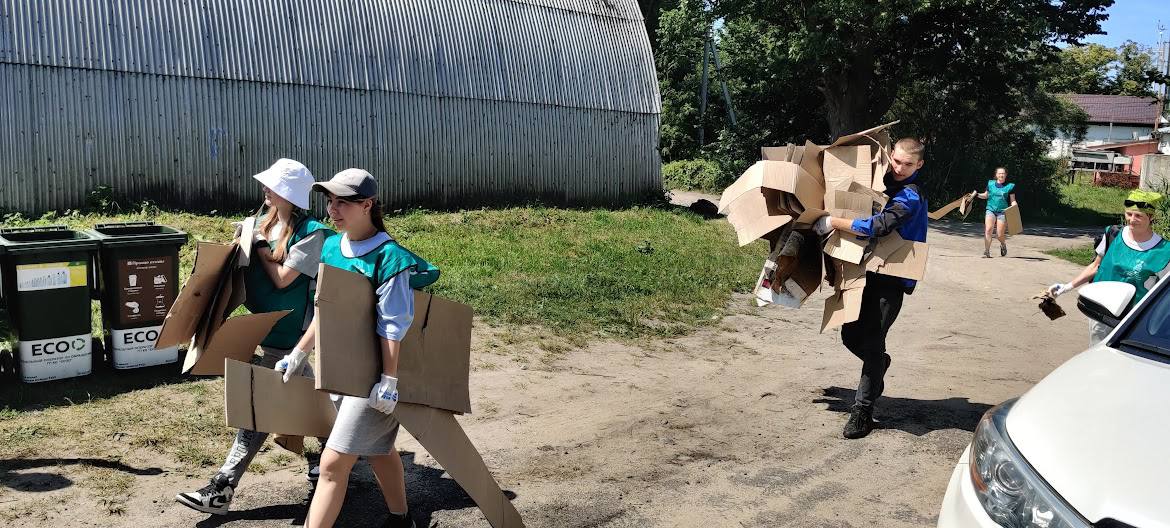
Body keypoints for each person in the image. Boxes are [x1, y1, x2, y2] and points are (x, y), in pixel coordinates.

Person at [175, 158, 334, 515]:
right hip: (267, 327)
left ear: (290, 195)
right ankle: (331, 460)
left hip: (292, 333)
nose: (265, 189)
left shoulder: (312, 234)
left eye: (273, 186)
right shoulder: (263, 222)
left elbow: (282, 280)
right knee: (309, 400)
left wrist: (260, 245)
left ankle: (222, 487)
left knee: (261, 407)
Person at [303, 169, 440, 528]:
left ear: (367, 205)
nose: (333, 209)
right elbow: (326, 310)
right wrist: (300, 352)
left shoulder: (390, 257)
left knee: (333, 464)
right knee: (377, 449)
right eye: (330, 201)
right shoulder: (332, 246)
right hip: (340, 370)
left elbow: (393, 325)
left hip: (376, 378)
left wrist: (389, 380)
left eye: (343, 202)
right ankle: (401, 519)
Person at [813, 137, 929, 439]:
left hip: (891, 278)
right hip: (864, 271)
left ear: (919, 165)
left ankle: (863, 412)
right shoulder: (878, 179)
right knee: (850, 335)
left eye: (907, 164)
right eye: (896, 161)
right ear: (890, 156)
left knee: (874, 340)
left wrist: (834, 222)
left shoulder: (911, 195)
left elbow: (882, 225)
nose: (900, 168)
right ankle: (879, 363)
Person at [1047, 190, 1170, 345]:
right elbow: (1095, 266)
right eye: (1129, 214)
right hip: (1102, 312)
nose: (1132, 220)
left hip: (1133, 319)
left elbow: (1164, 292)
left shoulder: (1164, 251)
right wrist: (1065, 287)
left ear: (1151, 217)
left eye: (1139, 216)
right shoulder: (1113, 234)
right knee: (1098, 356)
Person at [975, 167, 1017, 258]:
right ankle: (987, 251)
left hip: (1002, 212)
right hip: (990, 209)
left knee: (999, 234)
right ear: (996, 175)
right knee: (988, 229)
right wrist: (977, 195)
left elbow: (1012, 200)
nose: (1001, 175)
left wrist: (1014, 206)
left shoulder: (1010, 186)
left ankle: (1003, 244)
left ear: (1006, 175)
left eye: (1003, 173)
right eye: (999, 173)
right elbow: (986, 195)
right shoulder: (990, 184)